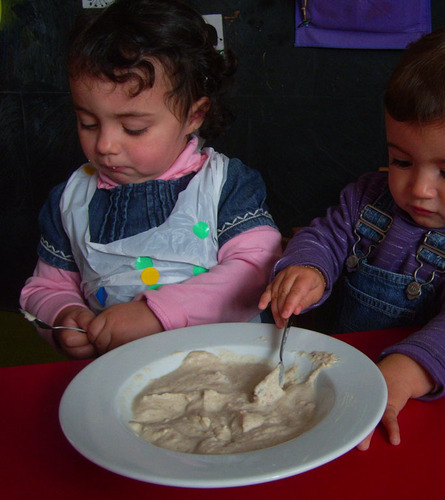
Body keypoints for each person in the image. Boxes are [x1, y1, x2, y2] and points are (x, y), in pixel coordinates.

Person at [259, 24, 445, 449]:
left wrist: (409, 369)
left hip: (423, 392)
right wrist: (308, 267)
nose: (419, 189)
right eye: (401, 160)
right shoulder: (366, 198)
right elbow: (326, 235)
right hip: (340, 373)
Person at [20, 0, 282, 359]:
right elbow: (45, 287)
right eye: (88, 123)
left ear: (194, 116)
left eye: (133, 128)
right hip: (118, 374)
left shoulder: (225, 185)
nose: (106, 145)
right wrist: (64, 315)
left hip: (229, 365)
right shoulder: (70, 200)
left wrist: (157, 313)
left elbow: (257, 272)